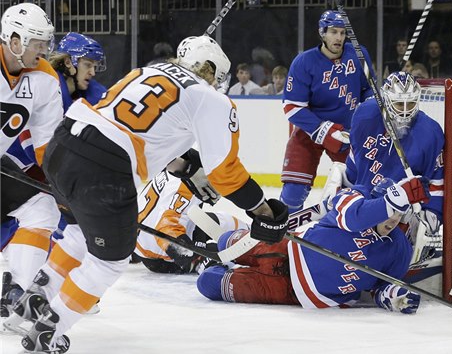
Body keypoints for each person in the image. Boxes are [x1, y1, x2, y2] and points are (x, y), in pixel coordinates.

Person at [6, 35, 289, 353]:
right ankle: (48, 331)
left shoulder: (146, 72)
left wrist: (185, 164)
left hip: (64, 145)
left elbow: (136, 127)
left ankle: (31, 302)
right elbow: (225, 173)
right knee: (109, 262)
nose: (216, 84)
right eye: (217, 77)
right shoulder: (212, 99)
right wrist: (262, 210)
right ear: (210, 69)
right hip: (105, 169)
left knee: (74, 234)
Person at [1, 31, 108, 320]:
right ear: (71, 63)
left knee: (52, 218)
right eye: (88, 64)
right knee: (46, 219)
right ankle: (18, 286)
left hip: (40, 173)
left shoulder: (88, 94)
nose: (93, 71)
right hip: (22, 168)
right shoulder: (45, 85)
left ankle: (22, 289)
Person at [197, 179, 428, 312]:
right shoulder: (353, 199)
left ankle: (212, 266)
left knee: (208, 283)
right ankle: (221, 248)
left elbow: (379, 289)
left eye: (399, 213)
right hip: (286, 249)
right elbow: (352, 218)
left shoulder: (398, 249)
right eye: (389, 210)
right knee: (223, 242)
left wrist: (393, 296)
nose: (393, 219)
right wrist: (388, 204)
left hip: (297, 293)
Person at [0, 3, 63, 319]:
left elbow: (48, 144)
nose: (44, 50)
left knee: (43, 207)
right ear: (13, 41)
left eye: (45, 42)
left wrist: (63, 183)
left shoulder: (45, 78)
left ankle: (20, 295)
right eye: (37, 42)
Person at [279, 10, 373, 213]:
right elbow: (292, 107)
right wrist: (325, 131)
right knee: (293, 192)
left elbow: (368, 90)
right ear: (322, 33)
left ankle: (348, 230)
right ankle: (284, 235)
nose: (338, 38)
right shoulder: (304, 62)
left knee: (357, 187)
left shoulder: (358, 54)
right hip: (310, 132)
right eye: (333, 32)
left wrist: (368, 115)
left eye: (342, 32)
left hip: (348, 134)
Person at [344, 71, 444, 260]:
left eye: (411, 104)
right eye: (399, 104)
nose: (405, 111)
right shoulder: (365, 115)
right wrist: (348, 185)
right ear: (387, 100)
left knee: (392, 253)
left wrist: (433, 213)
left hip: (400, 210)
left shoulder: (431, 132)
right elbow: (355, 157)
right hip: (364, 199)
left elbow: (437, 178)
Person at [135, 163, 249, 275]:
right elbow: (165, 228)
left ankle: (251, 233)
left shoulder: (179, 169)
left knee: (220, 220)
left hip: (140, 239)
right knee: (222, 251)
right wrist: (196, 258)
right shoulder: (184, 192)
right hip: (160, 257)